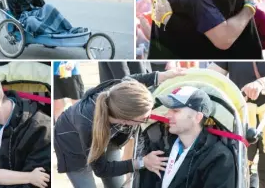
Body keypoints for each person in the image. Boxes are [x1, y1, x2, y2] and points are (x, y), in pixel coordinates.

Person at [54, 69, 184, 188]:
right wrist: (142, 162)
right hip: (71, 145)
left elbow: (132, 79)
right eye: (144, 118)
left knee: (116, 184)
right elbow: (101, 169)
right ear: (125, 120)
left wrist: (162, 75)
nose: (149, 118)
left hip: (108, 136)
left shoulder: (120, 92)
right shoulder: (88, 126)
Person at [139, 86, 236, 188]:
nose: (167, 115)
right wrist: (142, 162)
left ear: (198, 117)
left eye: (175, 111)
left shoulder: (219, 158)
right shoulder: (160, 147)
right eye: (169, 110)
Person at [208, 62, 265, 188]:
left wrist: (261, 83)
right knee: (242, 168)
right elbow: (212, 75)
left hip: (262, 116)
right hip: (243, 117)